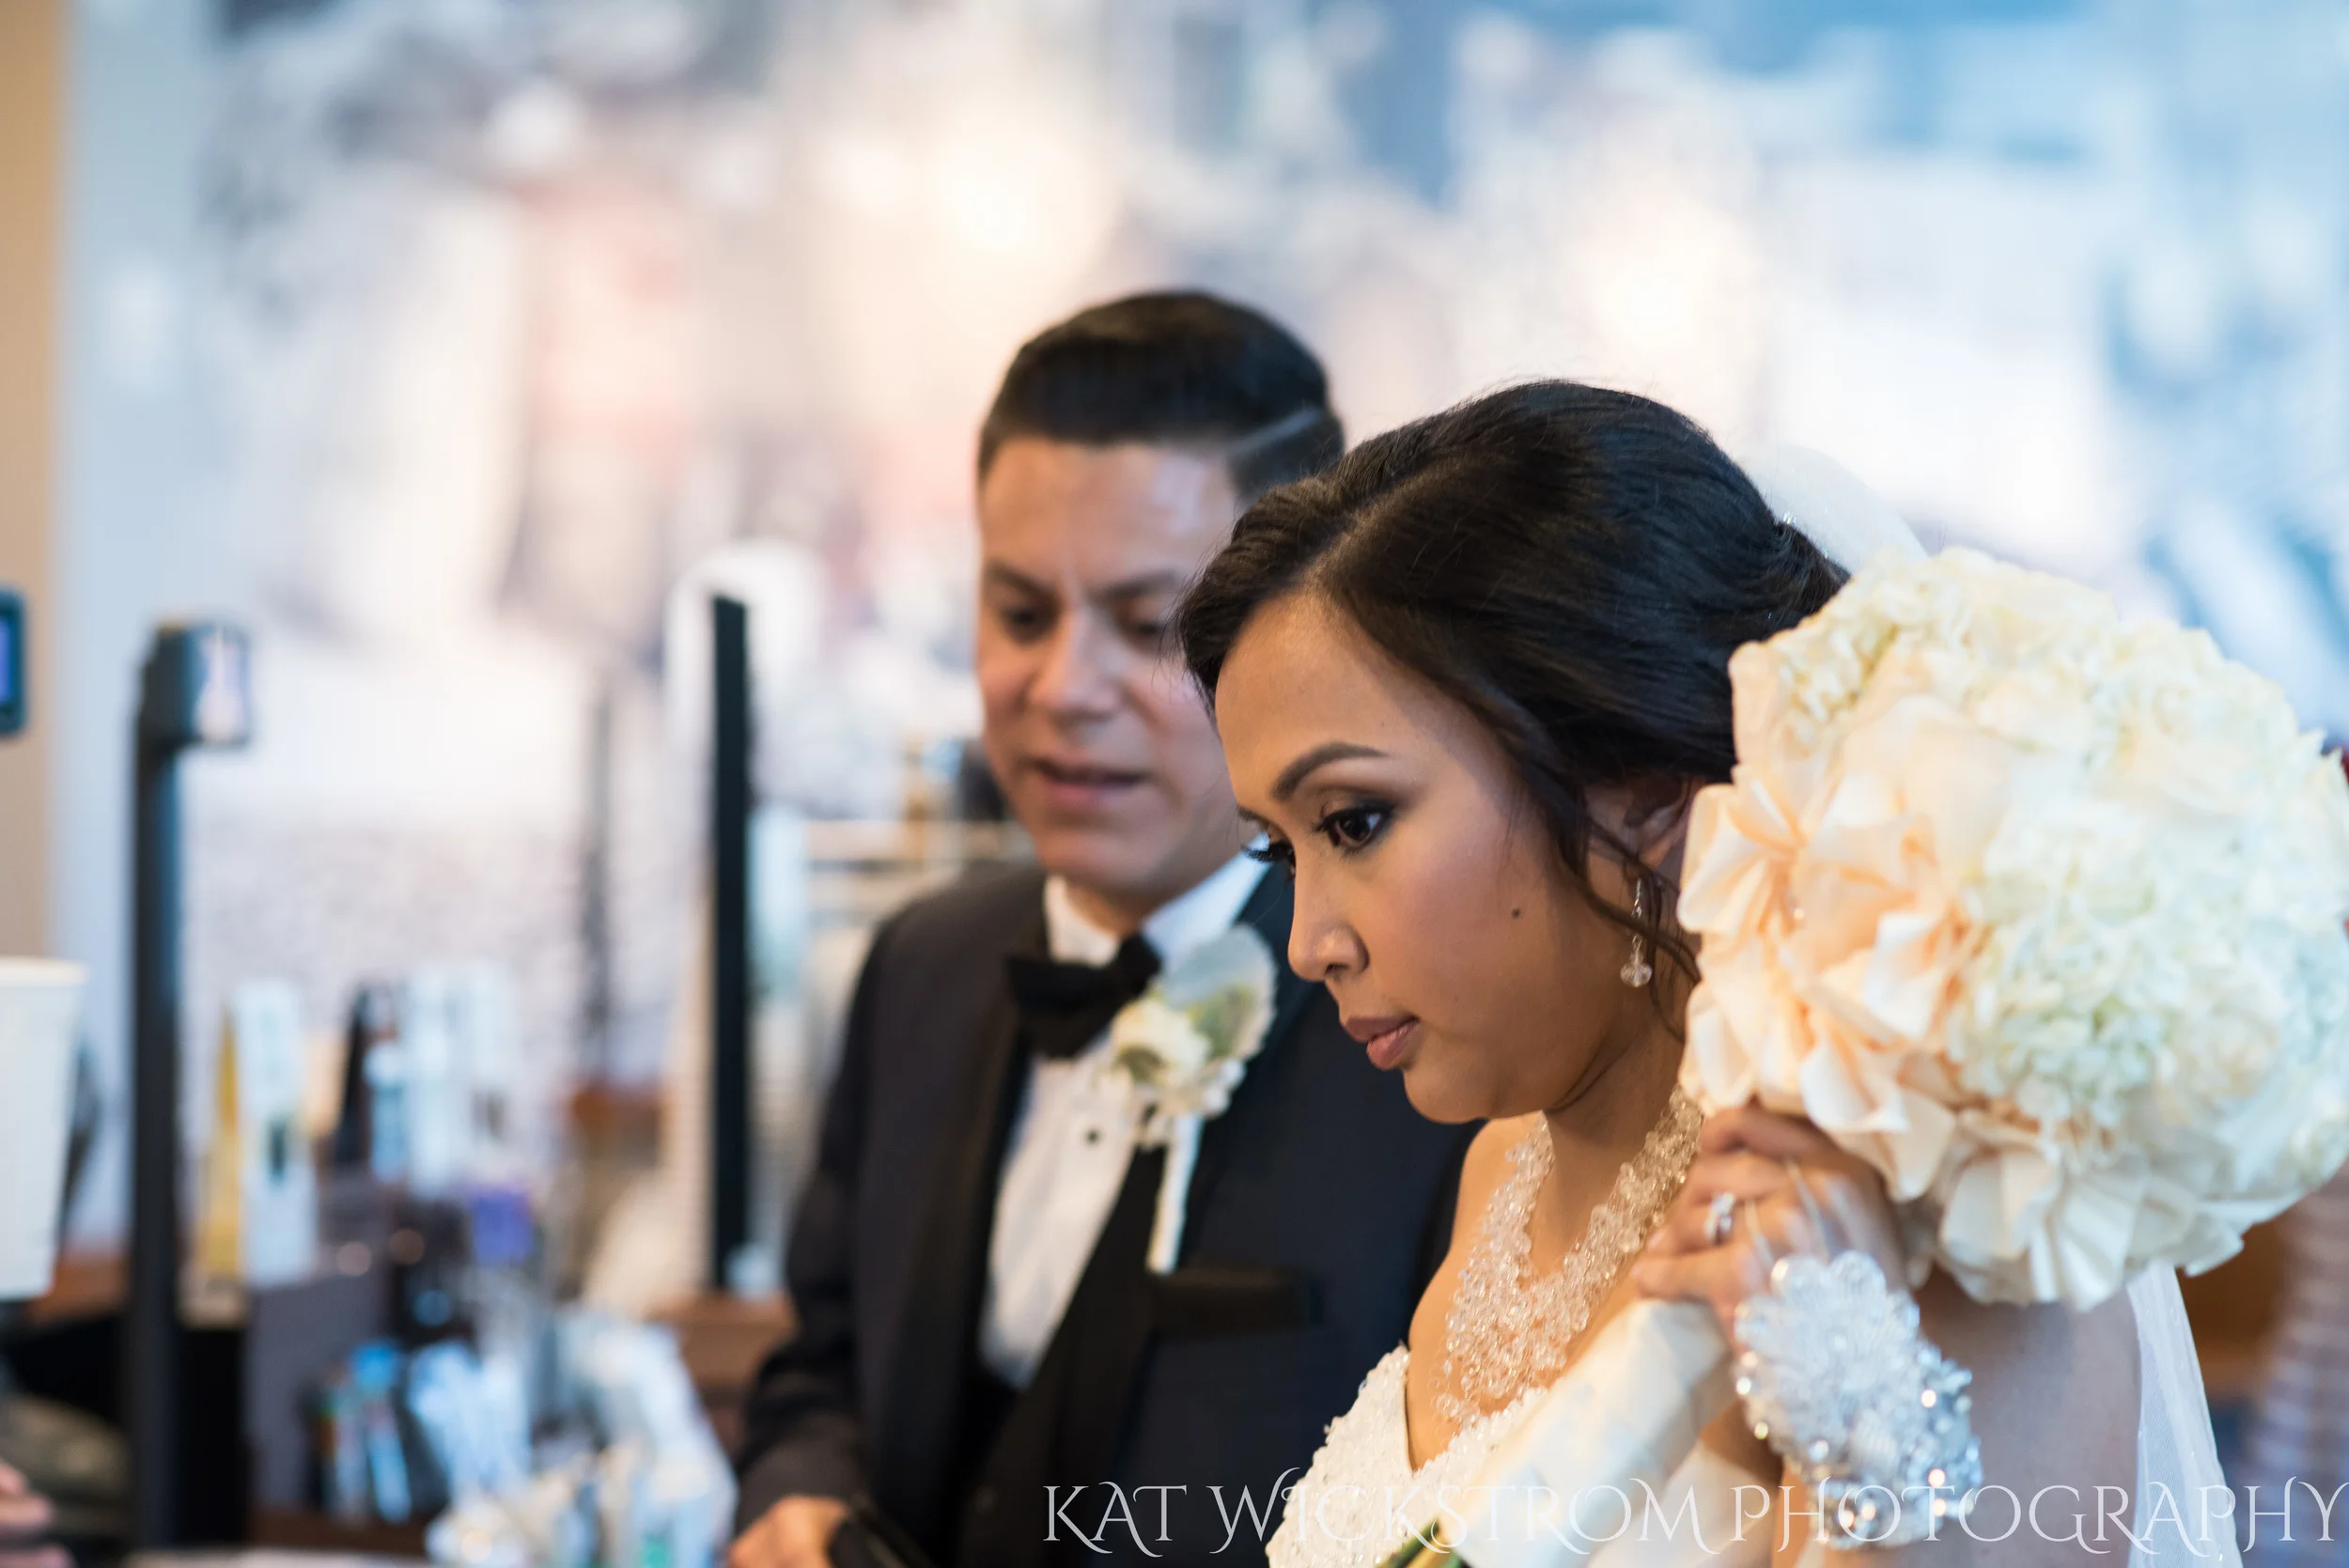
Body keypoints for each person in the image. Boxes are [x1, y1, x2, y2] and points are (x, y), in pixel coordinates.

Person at [1177, 381, 2232, 1565]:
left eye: (1355, 821)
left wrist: (1849, 1385)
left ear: (1641, 787)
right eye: (1282, 850)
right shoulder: (1501, 1171)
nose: (1309, 940)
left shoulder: (1924, 1221)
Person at [728, 293, 1475, 1568]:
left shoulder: (1428, 1028)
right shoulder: (918, 966)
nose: (1063, 688)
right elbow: (821, 1367)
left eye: (1149, 627)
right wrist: (798, 1496)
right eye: (1021, 615)